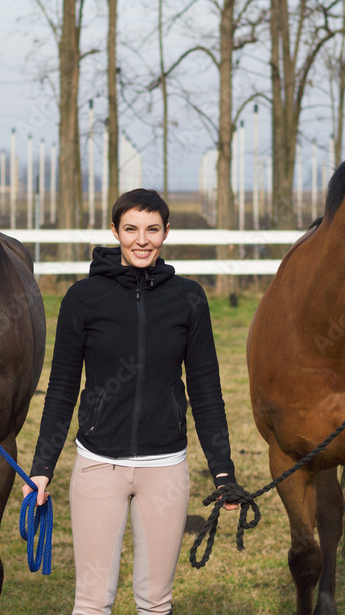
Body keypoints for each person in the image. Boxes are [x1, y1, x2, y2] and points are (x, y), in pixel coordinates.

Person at [24, 188, 238, 615]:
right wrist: (42, 469)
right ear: (115, 232)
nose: (142, 240)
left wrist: (223, 470)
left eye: (152, 230)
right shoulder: (82, 299)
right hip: (98, 468)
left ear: (166, 232)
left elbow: (206, 389)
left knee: (156, 601)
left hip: (167, 472)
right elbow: (62, 387)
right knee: (91, 601)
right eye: (132, 229)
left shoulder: (189, 299)